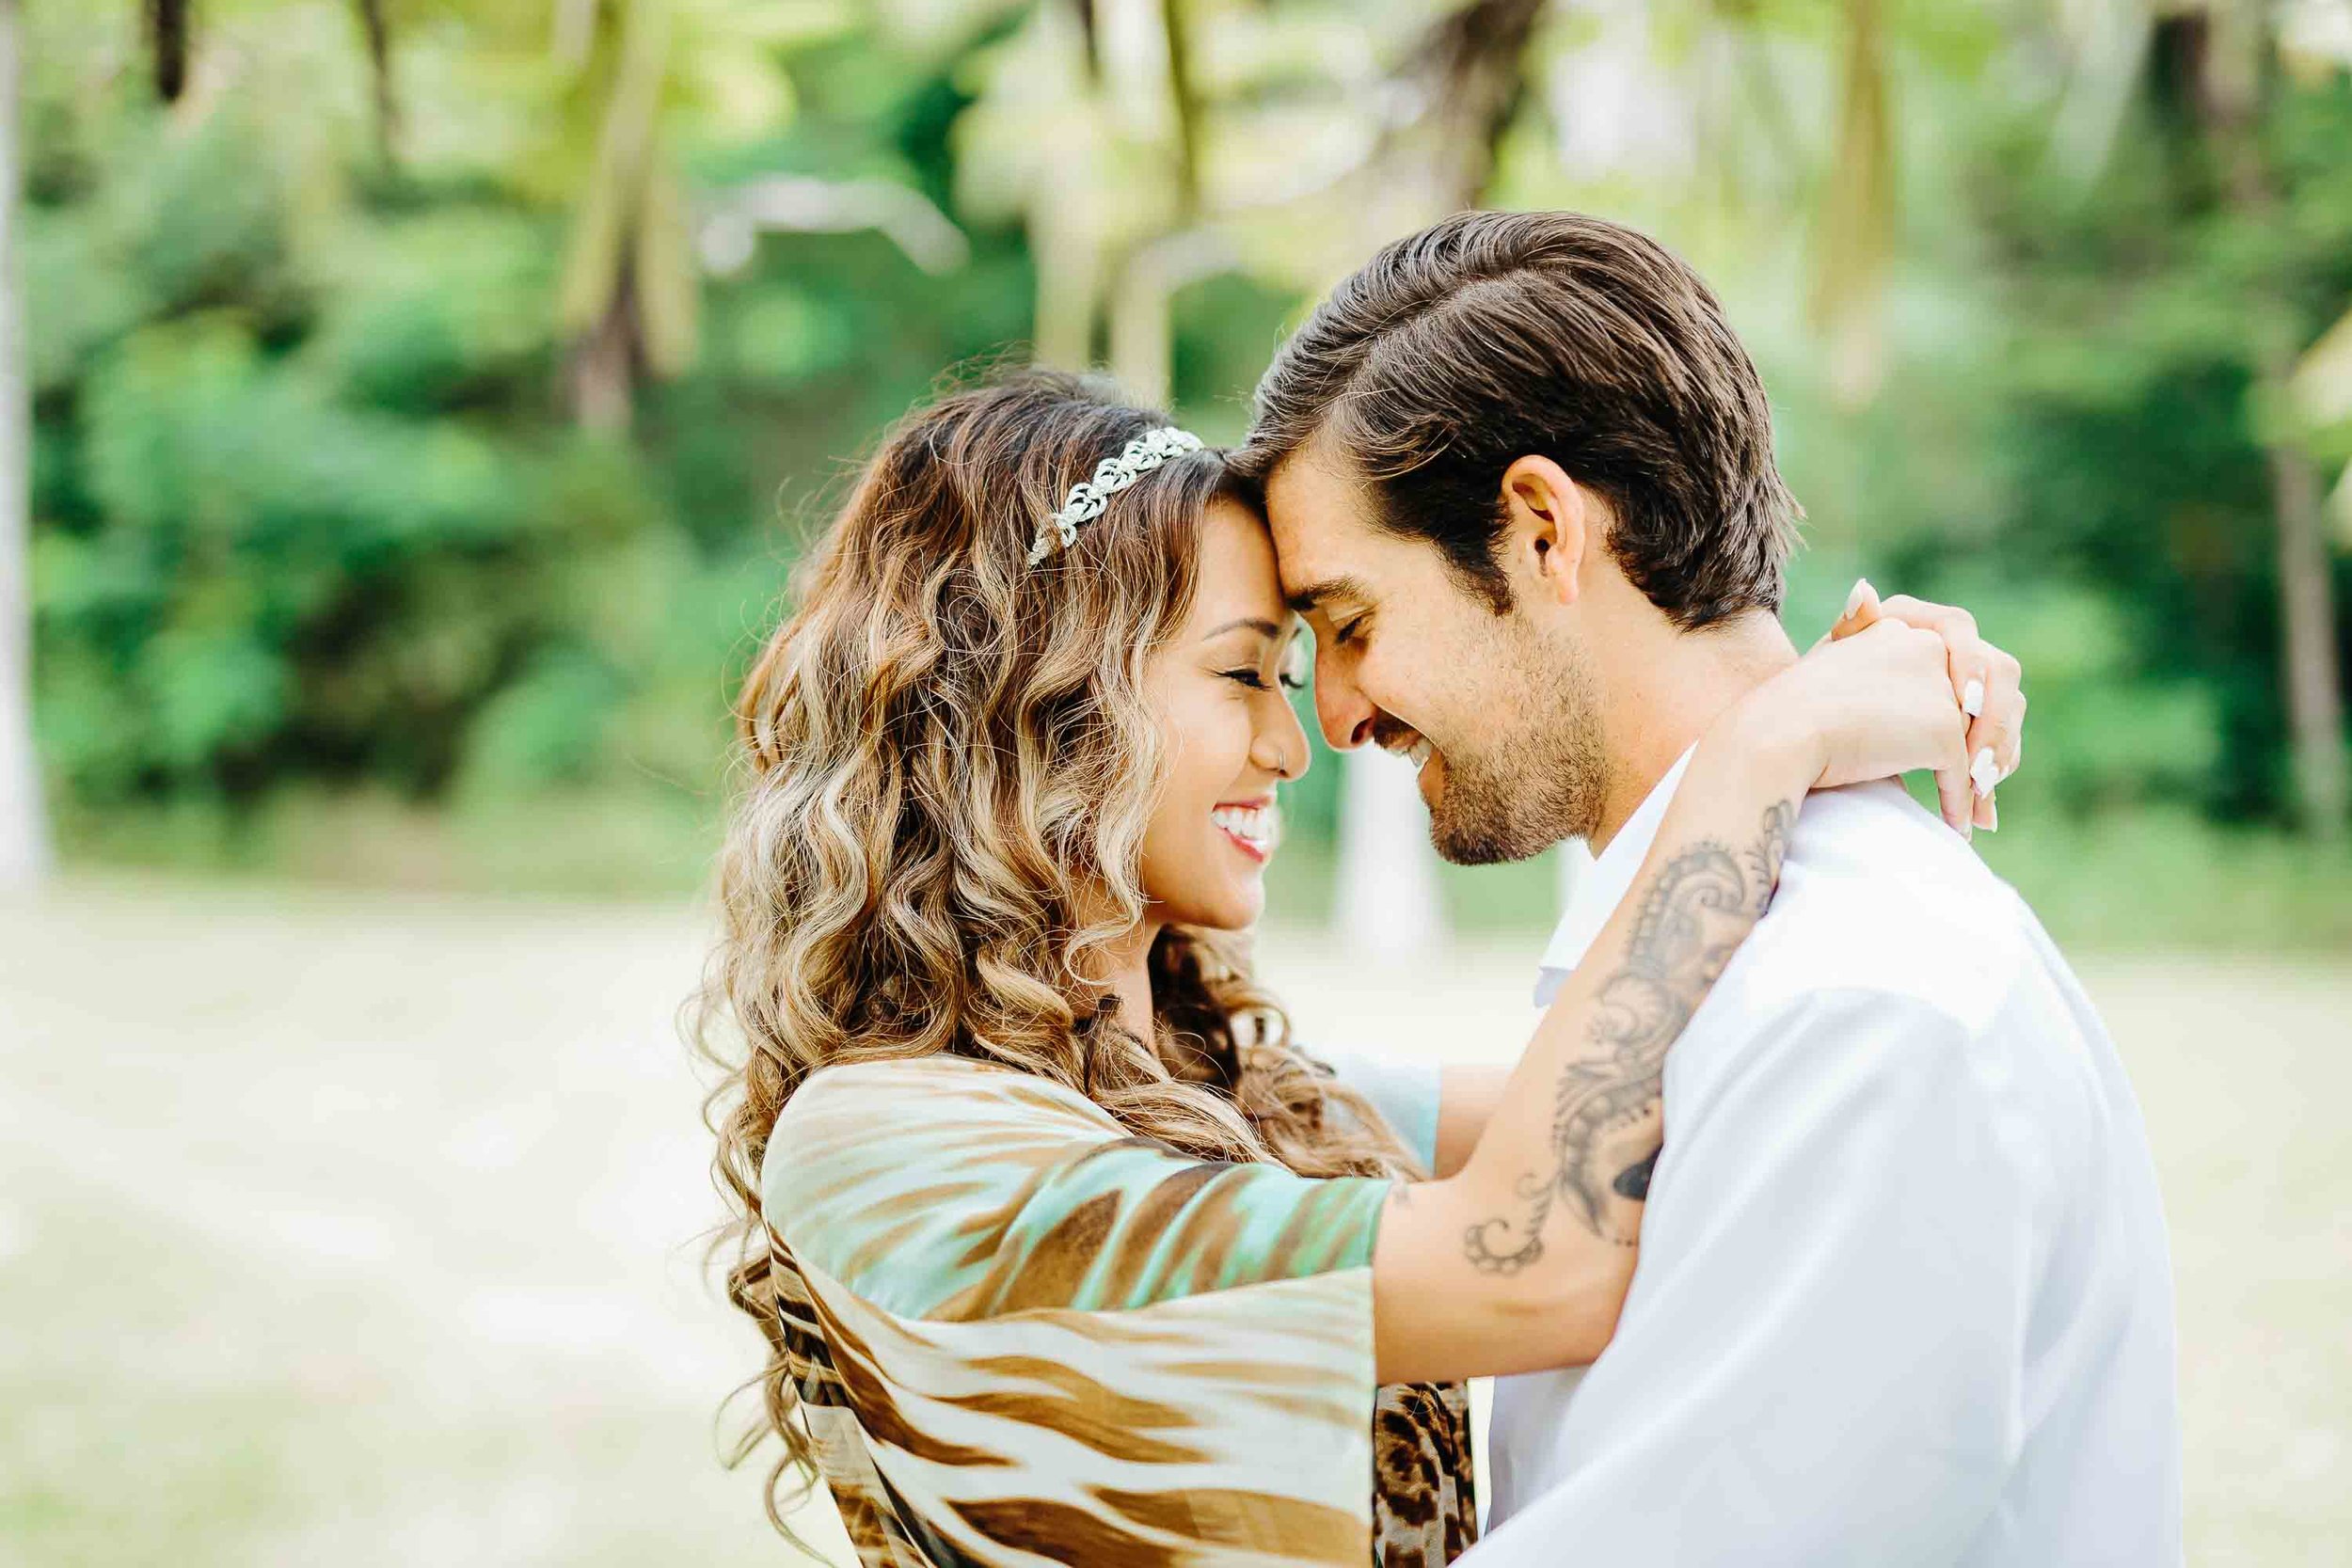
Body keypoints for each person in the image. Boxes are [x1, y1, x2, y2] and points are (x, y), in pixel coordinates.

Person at [695, 367, 2029, 1566]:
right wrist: (1758, 753)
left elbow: (1694, 1088)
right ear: (1040, 704)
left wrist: (1802, 697)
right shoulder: (887, 1146)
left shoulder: (1231, 1096)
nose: (1297, 744)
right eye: (1244, 676)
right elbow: (1531, 1260)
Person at [1235, 209, 2180, 1566]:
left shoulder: (1854, 1016)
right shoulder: (1754, 968)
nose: (1334, 718)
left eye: (1353, 625)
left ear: (1543, 532)